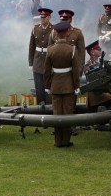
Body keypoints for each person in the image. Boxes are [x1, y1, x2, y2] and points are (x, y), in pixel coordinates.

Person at [44, 20, 83, 148]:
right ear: (66, 33)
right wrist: (76, 87)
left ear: (56, 33)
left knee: (56, 113)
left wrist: (48, 86)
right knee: (67, 114)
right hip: (68, 86)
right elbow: (75, 71)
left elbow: (46, 71)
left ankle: (57, 141)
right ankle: (65, 141)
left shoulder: (50, 49)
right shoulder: (72, 50)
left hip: (55, 85)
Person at [28, 8, 55, 105]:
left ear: (49, 17)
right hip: (37, 61)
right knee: (39, 86)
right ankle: (40, 106)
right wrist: (31, 63)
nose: (42, 19)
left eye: (44, 17)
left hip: (49, 60)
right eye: (41, 17)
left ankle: (50, 106)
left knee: (48, 86)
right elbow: (31, 47)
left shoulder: (54, 29)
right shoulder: (35, 28)